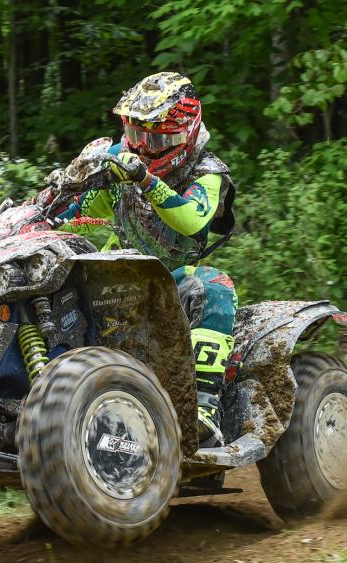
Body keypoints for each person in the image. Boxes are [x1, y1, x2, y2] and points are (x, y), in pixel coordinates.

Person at [50, 71, 237, 444]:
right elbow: (87, 213)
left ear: (185, 134)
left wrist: (145, 180)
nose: (143, 148)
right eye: (136, 135)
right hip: (116, 269)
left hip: (171, 279)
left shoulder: (208, 173)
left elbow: (189, 218)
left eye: (155, 138)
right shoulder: (122, 161)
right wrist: (46, 217)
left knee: (215, 287)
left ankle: (203, 406)